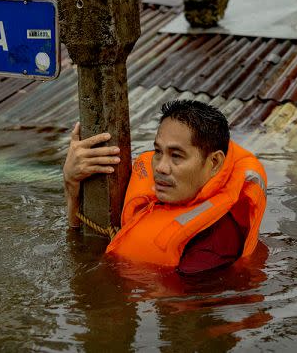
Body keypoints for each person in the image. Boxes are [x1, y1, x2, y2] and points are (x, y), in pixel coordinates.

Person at [63, 99, 267, 274]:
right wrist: (71, 185)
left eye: (176, 156)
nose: (160, 167)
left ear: (214, 163)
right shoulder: (161, 191)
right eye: (158, 152)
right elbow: (88, 235)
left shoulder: (212, 245)